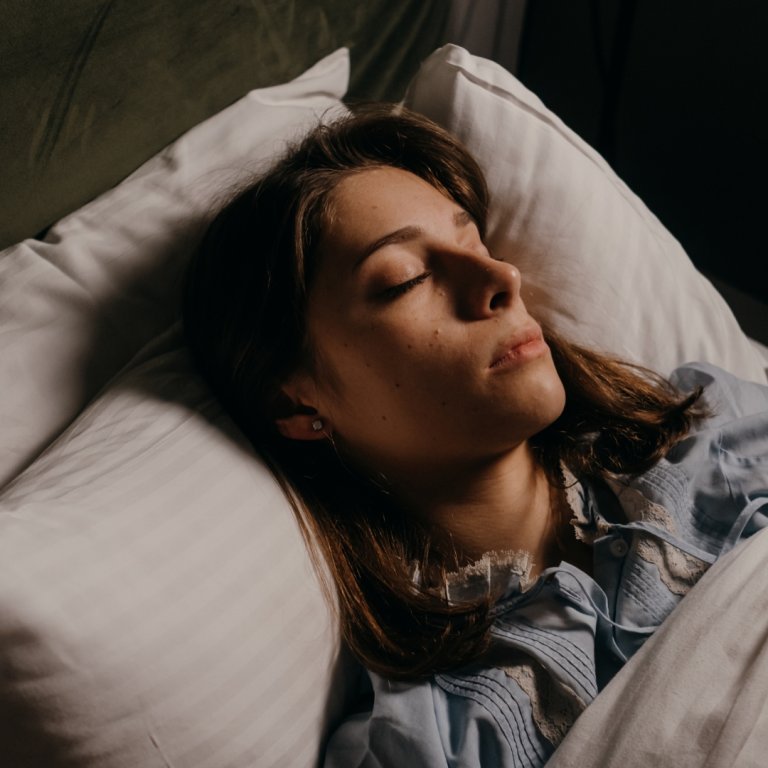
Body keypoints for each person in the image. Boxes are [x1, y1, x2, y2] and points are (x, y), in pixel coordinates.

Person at [183, 104, 768, 766]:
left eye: (475, 244)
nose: (501, 280)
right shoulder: (433, 740)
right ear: (297, 402)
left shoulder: (722, 435)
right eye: (405, 279)